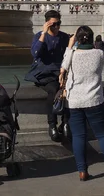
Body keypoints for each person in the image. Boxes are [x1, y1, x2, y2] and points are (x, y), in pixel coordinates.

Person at [59, 26, 104, 181]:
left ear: (77, 38)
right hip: (94, 99)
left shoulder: (72, 54)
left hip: (74, 101)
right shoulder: (99, 54)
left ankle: (82, 171)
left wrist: (70, 45)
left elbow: (63, 66)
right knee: (102, 134)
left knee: (79, 136)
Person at [28, 9, 70, 142]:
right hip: (45, 73)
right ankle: (52, 124)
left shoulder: (64, 37)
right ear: (47, 24)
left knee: (68, 91)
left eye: (58, 24)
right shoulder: (40, 36)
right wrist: (43, 34)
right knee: (53, 91)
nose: (57, 27)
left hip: (60, 72)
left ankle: (65, 123)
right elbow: (35, 53)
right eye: (53, 25)